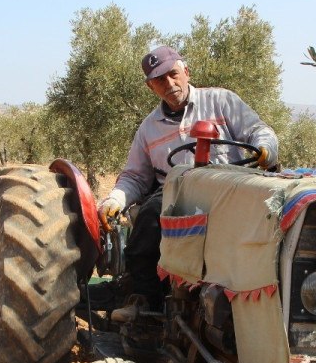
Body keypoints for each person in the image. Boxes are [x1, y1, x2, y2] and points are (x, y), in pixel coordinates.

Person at [98, 45, 278, 321]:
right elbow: (135, 176)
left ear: (186, 72)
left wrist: (265, 147)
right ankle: (146, 303)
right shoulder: (149, 129)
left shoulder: (221, 101)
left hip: (229, 187)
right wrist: (115, 200)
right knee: (146, 222)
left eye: (173, 74)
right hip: (176, 194)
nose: (169, 84)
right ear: (151, 88)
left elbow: (258, 131)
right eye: (160, 80)